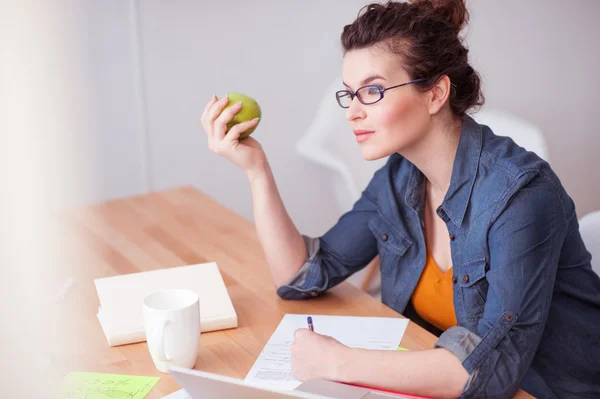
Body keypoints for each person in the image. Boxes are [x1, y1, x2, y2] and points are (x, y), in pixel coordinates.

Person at [200, 1, 600, 397]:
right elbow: (302, 275)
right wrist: (256, 170)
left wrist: (337, 362)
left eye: (372, 91)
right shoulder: (400, 177)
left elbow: (491, 371)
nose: (352, 113)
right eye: (350, 94)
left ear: (435, 94)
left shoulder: (521, 195)